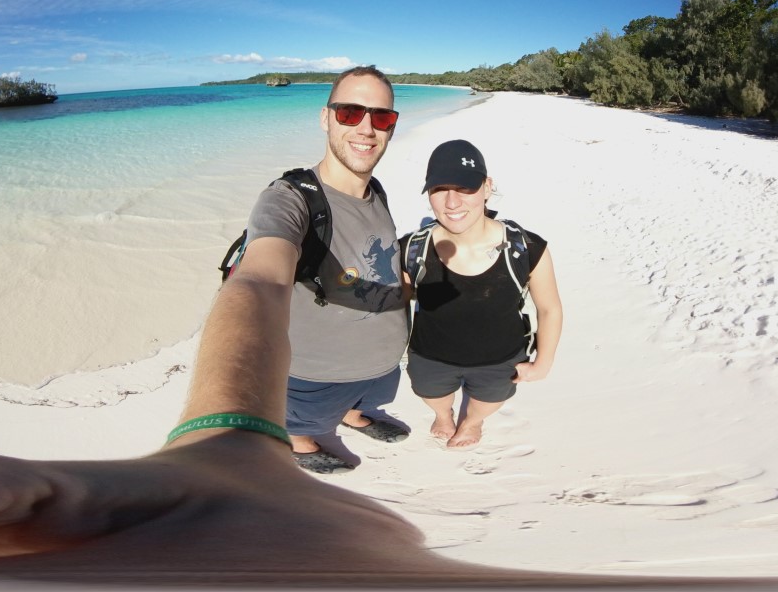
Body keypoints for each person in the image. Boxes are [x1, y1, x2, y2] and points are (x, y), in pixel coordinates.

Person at [232, 64, 412, 473]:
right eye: (350, 112)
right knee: (300, 423)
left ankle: (352, 414)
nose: (366, 128)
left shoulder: (376, 190)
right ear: (325, 117)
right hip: (316, 379)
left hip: (381, 366)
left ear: (392, 126)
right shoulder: (289, 200)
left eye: (381, 117)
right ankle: (298, 444)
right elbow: (260, 276)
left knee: (363, 401)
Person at [403, 139, 563, 448]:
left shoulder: (526, 248)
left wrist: (543, 362)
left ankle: (473, 422)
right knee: (430, 393)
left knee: (488, 399)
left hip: (500, 358)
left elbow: (549, 308)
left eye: (465, 188)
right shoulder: (412, 249)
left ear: (487, 187)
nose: (452, 203)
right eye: (440, 189)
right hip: (429, 354)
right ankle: (444, 415)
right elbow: (394, 306)